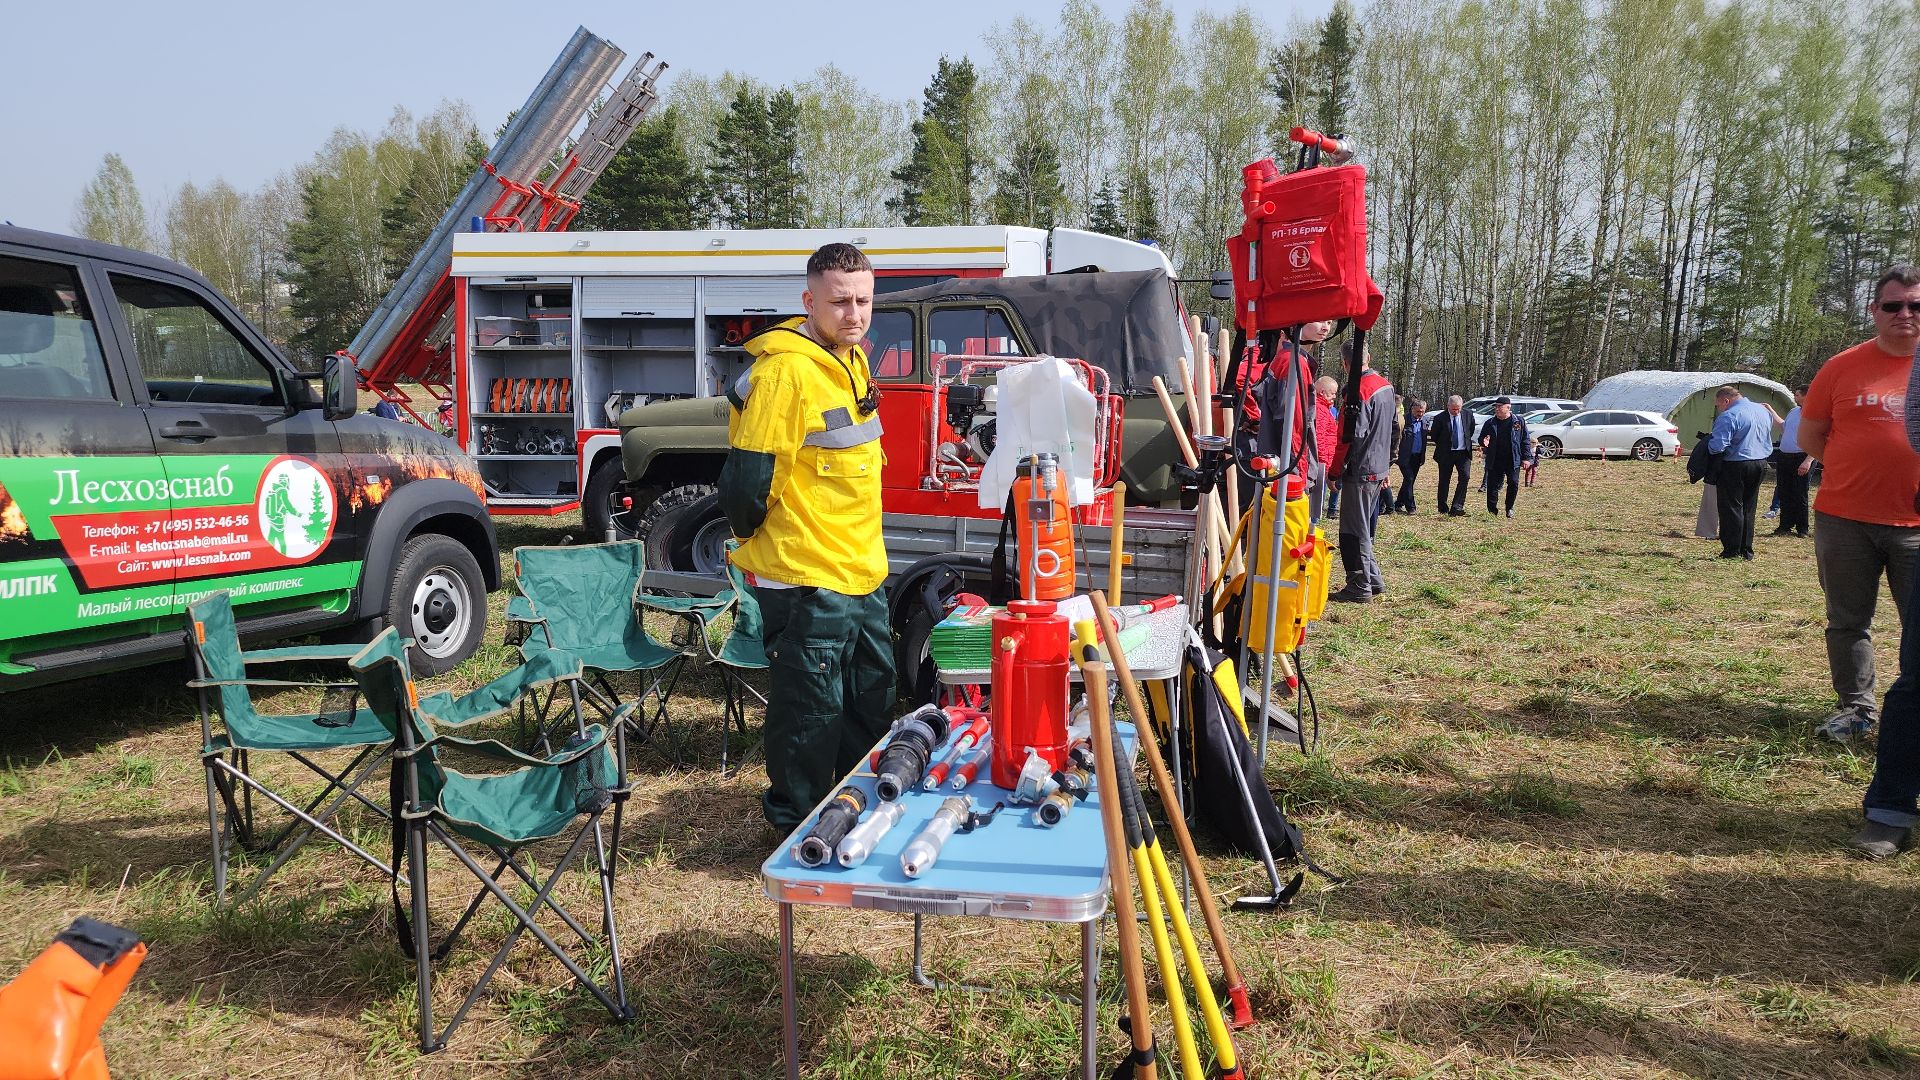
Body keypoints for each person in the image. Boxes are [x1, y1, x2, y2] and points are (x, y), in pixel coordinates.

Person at [718, 243, 895, 831]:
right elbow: (747, 483)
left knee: (870, 698)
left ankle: (852, 812)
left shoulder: (852, 362)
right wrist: (773, 547)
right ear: (808, 301)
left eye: (864, 301)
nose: (854, 314)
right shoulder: (784, 373)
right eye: (840, 301)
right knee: (809, 712)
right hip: (805, 574)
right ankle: (796, 832)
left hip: (861, 569)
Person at [1800, 264, 1920, 743]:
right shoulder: (1842, 366)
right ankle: (1857, 709)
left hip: (1916, 524)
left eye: (1916, 305)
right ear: (1874, 311)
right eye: (1893, 305)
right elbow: (1811, 435)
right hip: (1844, 519)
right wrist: (1857, 469)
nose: (1905, 314)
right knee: (1849, 620)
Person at [1329, 341, 1395, 602]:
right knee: (1363, 527)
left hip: (1361, 469)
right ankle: (1373, 578)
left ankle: (1359, 584)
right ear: (1369, 356)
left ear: (1346, 364)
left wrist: (1335, 472)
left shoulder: (1358, 392)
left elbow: (1348, 437)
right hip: (1377, 467)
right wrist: (1388, 464)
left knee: (1353, 530)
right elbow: (1394, 429)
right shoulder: (1386, 387)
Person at [1707, 385, 1774, 560]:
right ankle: (1746, 549)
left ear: (1725, 400)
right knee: (1749, 506)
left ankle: (1731, 549)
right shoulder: (1762, 410)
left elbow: (1718, 446)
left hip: (1735, 464)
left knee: (1731, 507)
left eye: (1718, 404)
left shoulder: (1729, 415)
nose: (1719, 407)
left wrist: (1706, 445)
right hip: (1760, 462)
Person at [1476, 397, 1533, 518]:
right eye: (1495, 407)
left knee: (1513, 483)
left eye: (1499, 407)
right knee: (1492, 486)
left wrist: (1526, 458)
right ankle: (1492, 511)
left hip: (1513, 459)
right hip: (1495, 459)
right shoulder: (1490, 423)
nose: (1496, 409)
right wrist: (1483, 441)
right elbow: (1481, 439)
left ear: (1508, 407)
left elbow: (1525, 440)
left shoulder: (1518, 421)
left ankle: (1509, 508)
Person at [1771, 385, 1811, 538]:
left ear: (1806, 396)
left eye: (1797, 395)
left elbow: (1820, 437)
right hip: (1785, 456)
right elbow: (1783, 428)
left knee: (1800, 493)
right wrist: (1770, 410)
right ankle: (1785, 525)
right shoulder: (1794, 412)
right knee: (1784, 491)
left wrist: (1808, 461)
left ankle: (1803, 528)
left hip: (1801, 456)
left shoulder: (1812, 413)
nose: (1795, 397)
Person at [1428, 395, 1475, 516]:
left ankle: (1457, 506)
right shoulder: (1440, 418)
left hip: (1463, 453)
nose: (1456, 411)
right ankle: (1442, 507)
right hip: (1446, 453)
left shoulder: (1468, 414)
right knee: (1444, 480)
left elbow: (1470, 430)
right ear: (1448, 406)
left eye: (1458, 408)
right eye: (1453, 409)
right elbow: (1434, 435)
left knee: (1465, 477)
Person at [1392, 398, 1427, 513]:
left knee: (1409, 481)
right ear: (1412, 409)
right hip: (1404, 456)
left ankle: (1398, 503)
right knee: (1409, 478)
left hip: (1417, 456)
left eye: (1422, 412)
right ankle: (1411, 506)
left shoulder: (1424, 421)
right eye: (1418, 412)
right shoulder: (1403, 420)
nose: (1420, 414)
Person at [1315, 376, 1341, 516]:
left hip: (1324, 463)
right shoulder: (1320, 411)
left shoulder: (1325, 409)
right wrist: (1324, 465)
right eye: (1332, 393)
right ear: (1322, 393)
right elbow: (1319, 439)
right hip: (1321, 465)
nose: (1335, 397)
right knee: (1315, 505)